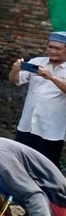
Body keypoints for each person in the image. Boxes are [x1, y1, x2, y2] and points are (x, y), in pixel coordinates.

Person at [9, 31, 66, 167]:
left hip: (51, 129)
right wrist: (15, 70)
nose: (52, 51)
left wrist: (51, 77)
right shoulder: (37, 62)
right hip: (27, 125)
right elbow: (14, 80)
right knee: (20, 163)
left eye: (57, 48)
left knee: (47, 167)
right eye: (50, 47)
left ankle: (47, 189)